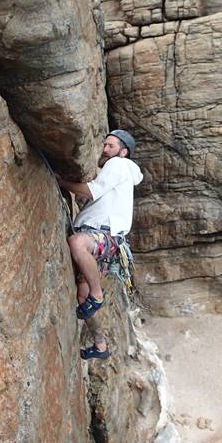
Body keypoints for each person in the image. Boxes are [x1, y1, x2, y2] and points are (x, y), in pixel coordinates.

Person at [56, 130, 143, 360]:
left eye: (110, 146)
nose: (105, 149)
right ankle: (100, 344)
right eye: (104, 145)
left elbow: (92, 191)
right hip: (111, 240)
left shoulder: (118, 164)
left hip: (104, 235)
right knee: (81, 297)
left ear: (123, 152)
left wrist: (62, 182)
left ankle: (97, 294)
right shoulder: (121, 172)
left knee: (77, 243)